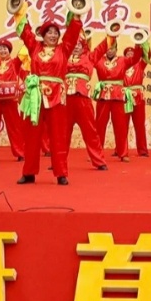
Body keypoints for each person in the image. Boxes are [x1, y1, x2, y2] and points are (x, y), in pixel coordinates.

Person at [16, 12, 83, 186]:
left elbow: (72, 34)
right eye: (49, 32)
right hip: (36, 97)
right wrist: (20, 14)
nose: (53, 35)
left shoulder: (64, 49)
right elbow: (26, 33)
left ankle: (61, 173)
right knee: (32, 136)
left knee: (58, 136)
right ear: (43, 35)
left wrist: (76, 17)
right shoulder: (35, 48)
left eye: (55, 33)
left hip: (57, 97)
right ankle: (29, 173)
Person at [64, 34, 109, 171]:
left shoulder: (89, 56)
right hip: (65, 100)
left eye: (79, 44)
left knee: (90, 131)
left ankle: (99, 161)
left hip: (83, 99)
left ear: (84, 46)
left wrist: (111, 34)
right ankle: (58, 162)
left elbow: (102, 48)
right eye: (74, 44)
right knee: (62, 133)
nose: (76, 47)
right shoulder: (63, 56)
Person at [93, 37, 141, 162]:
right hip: (103, 96)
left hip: (118, 96)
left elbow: (136, 58)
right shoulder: (98, 60)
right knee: (99, 125)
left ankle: (123, 153)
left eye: (112, 48)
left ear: (116, 49)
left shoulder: (123, 60)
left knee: (121, 126)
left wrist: (138, 44)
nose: (110, 51)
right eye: (108, 48)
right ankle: (96, 152)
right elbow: (88, 57)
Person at [0, 39, 26, 162]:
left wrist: (27, 39)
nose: (2, 51)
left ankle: (20, 152)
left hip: (9, 100)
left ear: (9, 51)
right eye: (0, 49)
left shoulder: (14, 63)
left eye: (5, 49)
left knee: (14, 126)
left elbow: (23, 53)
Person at [122, 45, 150, 158]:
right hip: (125, 97)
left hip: (138, 98)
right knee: (122, 125)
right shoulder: (121, 65)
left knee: (139, 125)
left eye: (132, 54)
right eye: (127, 54)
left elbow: (148, 55)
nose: (130, 56)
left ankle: (142, 150)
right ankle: (120, 149)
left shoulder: (140, 65)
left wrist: (143, 43)